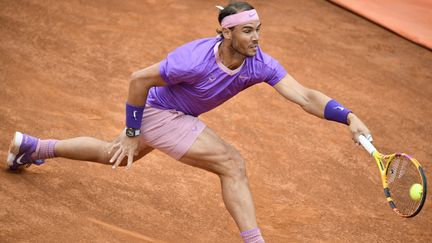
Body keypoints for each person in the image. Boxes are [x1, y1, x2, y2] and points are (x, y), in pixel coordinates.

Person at [6, 2, 371, 242]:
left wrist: (349, 116)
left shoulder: (261, 63)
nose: (256, 37)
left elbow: (306, 96)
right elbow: (137, 79)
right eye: (247, 31)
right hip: (158, 112)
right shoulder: (192, 60)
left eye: (259, 29)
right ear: (227, 33)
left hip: (171, 115)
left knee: (108, 153)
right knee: (232, 164)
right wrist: (134, 131)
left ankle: (34, 146)